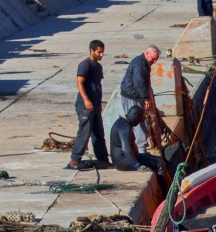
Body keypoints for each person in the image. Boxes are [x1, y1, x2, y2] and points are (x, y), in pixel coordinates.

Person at [68, 40, 111, 171]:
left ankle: (103, 159)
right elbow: (80, 83)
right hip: (85, 106)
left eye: (103, 52)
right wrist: (86, 100)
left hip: (95, 106)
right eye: (99, 52)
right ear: (92, 50)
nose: (101, 54)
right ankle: (75, 160)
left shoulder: (98, 67)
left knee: (98, 133)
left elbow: (96, 86)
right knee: (84, 132)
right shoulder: (85, 65)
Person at [120, 45, 161, 154]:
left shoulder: (144, 63)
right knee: (139, 124)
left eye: (156, 59)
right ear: (147, 54)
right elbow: (139, 83)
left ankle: (140, 148)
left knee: (141, 123)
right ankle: (141, 150)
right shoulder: (140, 64)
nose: (155, 61)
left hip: (135, 96)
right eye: (153, 58)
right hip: (132, 97)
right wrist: (145, 99)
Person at [110, 104, 161, 174]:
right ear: (134, 116)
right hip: (122, 161)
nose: (140, 122)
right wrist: (137, 166)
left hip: (129, 158)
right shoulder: (124, 127)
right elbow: (126, 149)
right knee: (159, 164)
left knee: (158, 159)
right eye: (139, 119)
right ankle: (166, 185)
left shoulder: (123, 123)